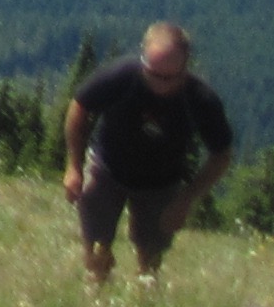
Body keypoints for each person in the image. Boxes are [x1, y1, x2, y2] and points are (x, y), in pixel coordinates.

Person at [64, 21, 236, 286]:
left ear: (185, 67)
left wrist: (186, 200)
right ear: (142, 58)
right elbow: (79, 107)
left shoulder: (200, 100)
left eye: (168, 77)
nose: (159, 84)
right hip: (107, 169)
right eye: (152, 74)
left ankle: (142, 306)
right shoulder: (122, 76)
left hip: (162, 185)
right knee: (96, 249)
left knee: (151, 260)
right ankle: (97, 302)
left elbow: (221, 155)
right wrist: (74, 166)